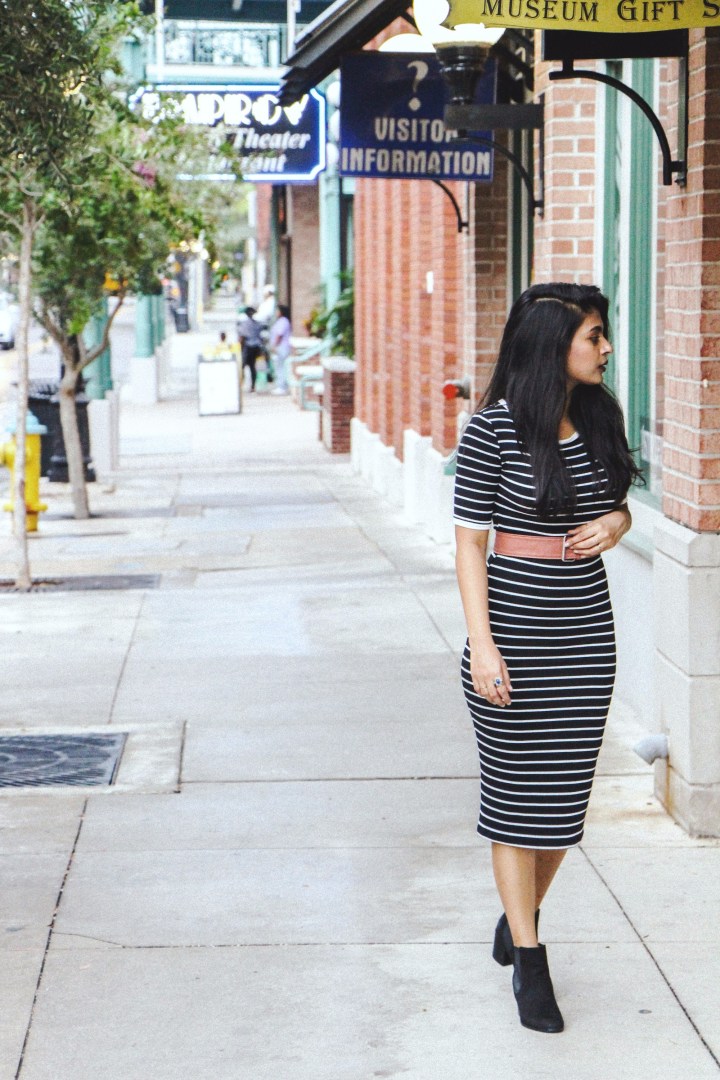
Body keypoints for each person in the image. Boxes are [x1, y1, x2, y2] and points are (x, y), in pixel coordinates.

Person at [453, 283, 643, 1034]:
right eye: (593, 336)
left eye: (602, 335)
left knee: (561, 810)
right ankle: (531, 964)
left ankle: (517, 912)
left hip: (585, 635)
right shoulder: (492, 431)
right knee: (513, 800)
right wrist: (483, 645)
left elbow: (618, 499)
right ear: (550, 345)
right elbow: (469, 543)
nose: (604, 349)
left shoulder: (597, 415)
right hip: (513, 636)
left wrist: (621, 521)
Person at [237, 306, 264, 392]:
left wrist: (240, 348)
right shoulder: (257, 324)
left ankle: (240, 384)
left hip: (247, 347)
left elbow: (242, 337)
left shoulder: (244, 324)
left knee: (243, 366)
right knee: (253, 367)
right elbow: (261, 337)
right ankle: (253, 386)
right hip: (256, 347)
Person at [269, 304, 292, 395]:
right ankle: (281, 385)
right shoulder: (280, 321)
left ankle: (282, 386)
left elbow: (279, 334)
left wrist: (274, 345)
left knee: (281, 367)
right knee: (279, 366)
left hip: (282, 347)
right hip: (281, 347)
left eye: (278, 310)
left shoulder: (283, 321)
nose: (276, 312)